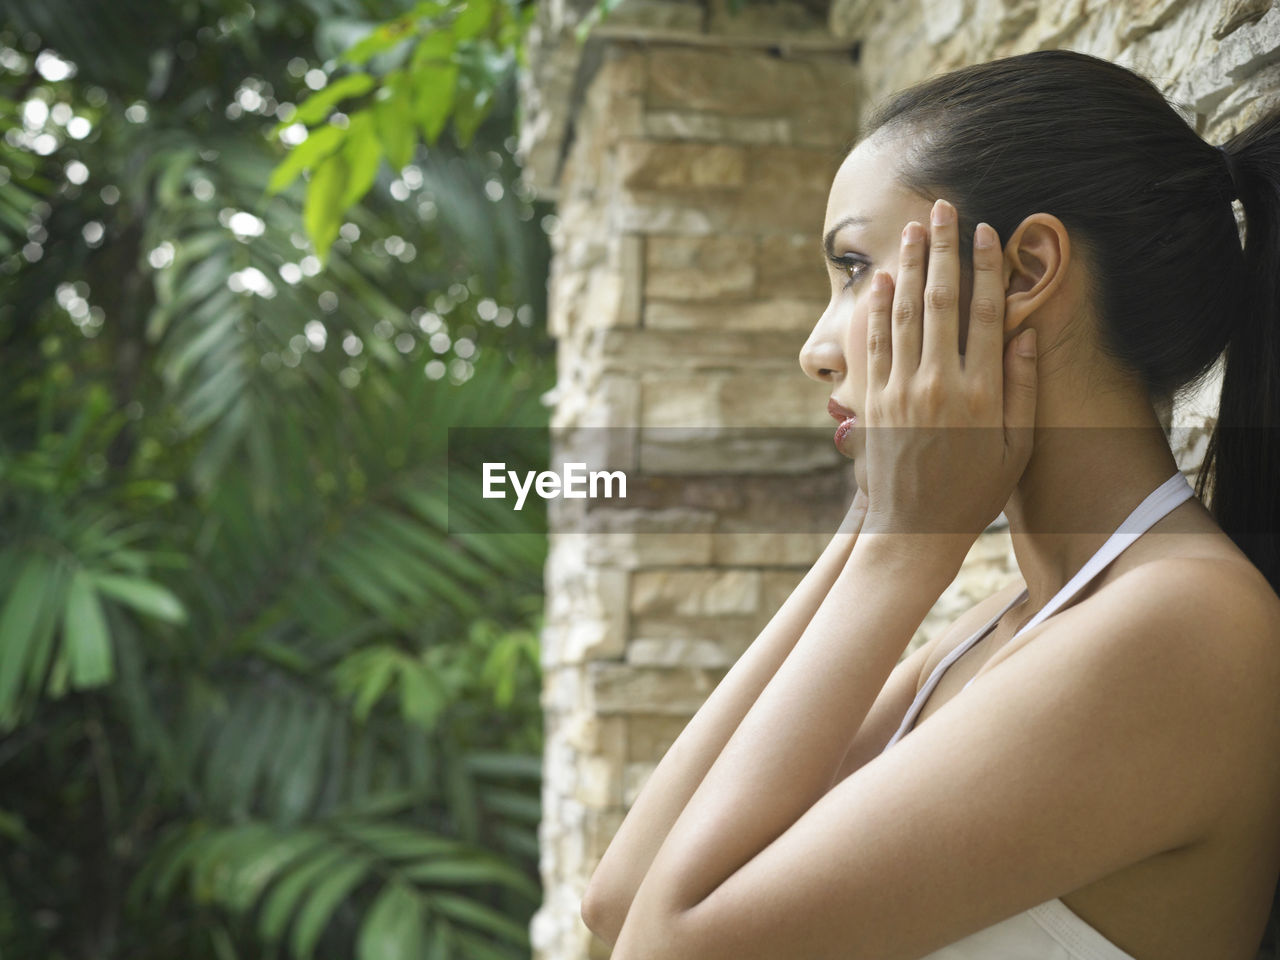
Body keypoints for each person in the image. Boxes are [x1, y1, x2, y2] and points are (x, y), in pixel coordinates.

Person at [580, 48, 1280, 959]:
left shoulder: (1183, 626)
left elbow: (666, 949)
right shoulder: (996, 629)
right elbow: (619, 898)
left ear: (1025, 272)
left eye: (854, 266)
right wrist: (879, 522)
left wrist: (906, 547)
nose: (817, 349)